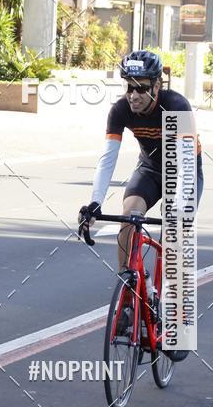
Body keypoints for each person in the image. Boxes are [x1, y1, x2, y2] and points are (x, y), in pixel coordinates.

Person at [78, 50, 203, 352]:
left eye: (141, 88)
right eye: (129, 87)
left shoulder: (175, 106)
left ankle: (178, 321)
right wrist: (94, 202)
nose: (133, 95)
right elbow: (108, 158)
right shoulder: (121, 110)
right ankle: (127, 291)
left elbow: (184, 166)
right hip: (148, 169)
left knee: (176, 233)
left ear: (157, 86)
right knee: (128, 216)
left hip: (182, 168)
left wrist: (178, 211)